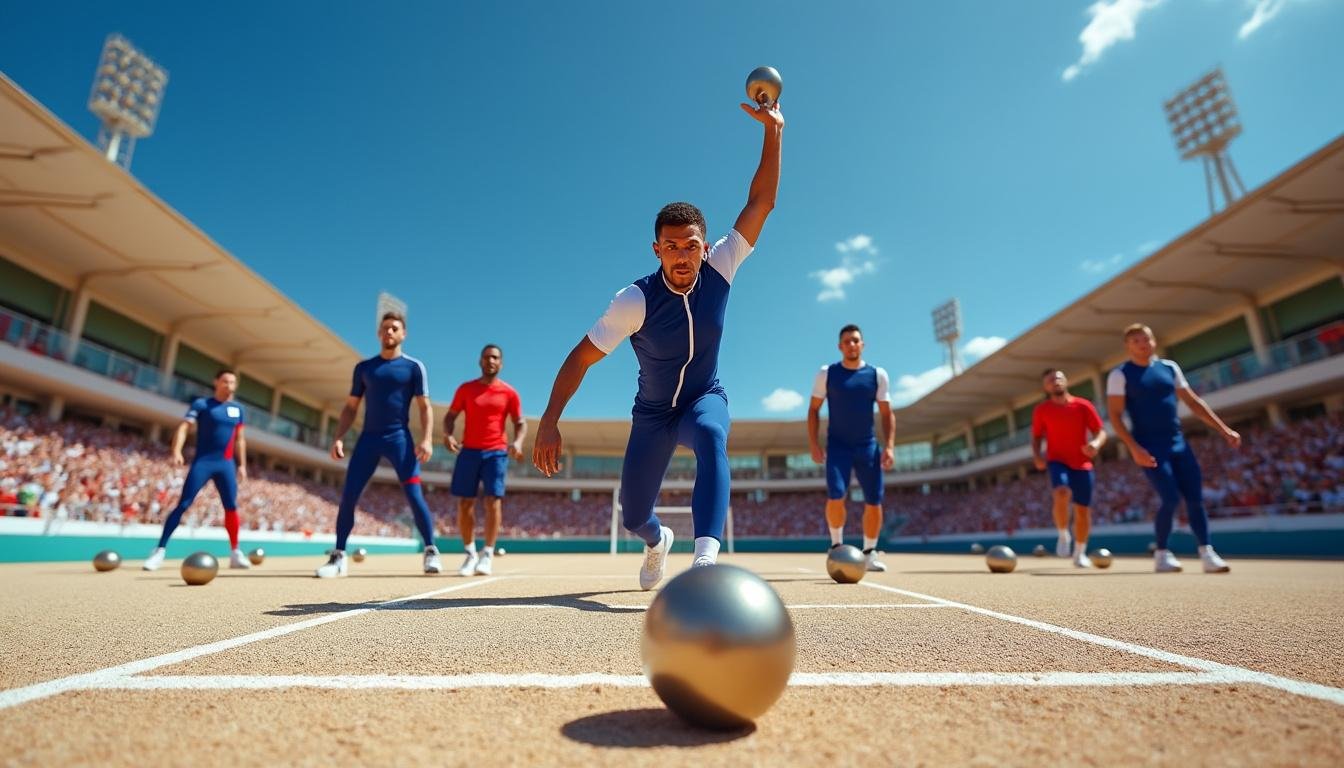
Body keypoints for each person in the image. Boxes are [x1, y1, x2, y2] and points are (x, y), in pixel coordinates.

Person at [532, 98, 783, 590]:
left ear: (705, 246)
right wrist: (548, 421)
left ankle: (705, 562)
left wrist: (774, 130)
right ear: (656, 250)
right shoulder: (635, 300)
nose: (682, 256)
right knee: (633, 516)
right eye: (671, 247)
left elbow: (761, 203)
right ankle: (658, 541)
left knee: (711, 434)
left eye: (691, 245)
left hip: (704, 397)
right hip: (652, 415)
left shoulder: (721, 267)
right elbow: (580, 359)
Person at [316, 312, 440, 578]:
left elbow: (424, 407)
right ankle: (338, 556)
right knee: (349, 495)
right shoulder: (364, 368)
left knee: (414, 495)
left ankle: (431, 550)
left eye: (394, 328)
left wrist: (427, 439)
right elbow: (351, 407)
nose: (389, 332)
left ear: (403, 334)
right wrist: (338, 436)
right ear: (378, 333)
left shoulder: (413, 367)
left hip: (399, 439)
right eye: (385, 328)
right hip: (368, 440)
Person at [1106, 324, 1238, 573]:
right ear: (1128, 347)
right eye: (1136, 341)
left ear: (1154, 341)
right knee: (1170, 498)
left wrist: (1223, 429)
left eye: (1146, 339)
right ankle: (1162, 554)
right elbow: (1115, 415)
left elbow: (1193, 402)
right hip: (1149, 446)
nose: (1142, 344)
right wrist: (1133, 448)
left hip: (1178, 442)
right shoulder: (1120, 374)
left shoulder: (1169, 367)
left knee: (1195, 499)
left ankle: (1207, 553)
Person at [807, 324, 895, 572]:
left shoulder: (877, 375)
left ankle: (869, 553)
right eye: (847, 341)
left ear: (863, 344)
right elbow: (813, 410)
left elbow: (887, 413)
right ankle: (836, 546)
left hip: (867, 446)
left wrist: (889, 446)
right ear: (840, 346)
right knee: (836, 495)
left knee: (874, 500)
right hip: (837, 446)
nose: (852, 345)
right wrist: (814, 444)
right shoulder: (827, 374)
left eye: (856, 340)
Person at [143, 369, 251, 571]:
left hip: (226, 464)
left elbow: (240, 439)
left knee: (231, 507)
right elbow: (184, 427)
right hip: (204, 462)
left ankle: (235, 553)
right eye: (225, 381)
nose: (229, 386)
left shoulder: (238, 410)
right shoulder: (202, 404)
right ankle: (159, 550)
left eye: (233, 382)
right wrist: (176, 450)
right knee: (183, 504)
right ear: (216, 382)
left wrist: (242, 465)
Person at [444, 344, 525, 577]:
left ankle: (487, 554)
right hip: (469, 451)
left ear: (501, 363)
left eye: (495, 357)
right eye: (487, 357)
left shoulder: (509, 393)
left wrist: (518, 442)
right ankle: (470, 553)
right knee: (465, 503)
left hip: (496, 452)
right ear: (480, 361)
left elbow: (520, 422)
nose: (491, 361)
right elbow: (450, 416)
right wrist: (448, 435)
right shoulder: (466, 389)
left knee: (493, 502)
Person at [1031, 368, 1107, 567]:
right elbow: (1037, 436)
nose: (1055, 381)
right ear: (1045, 387)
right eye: (1050, 380)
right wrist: (1037, 456)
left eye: (1058, 377)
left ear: (1066, 381)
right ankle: (1063, 533)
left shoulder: (1083, 405)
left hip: (1082, 463)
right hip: (1057, 460)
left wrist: (1096, 444)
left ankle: (1079, 552)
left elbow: (1100, 431)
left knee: (1082, 510)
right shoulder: (1042, 410)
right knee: (1062, 492)